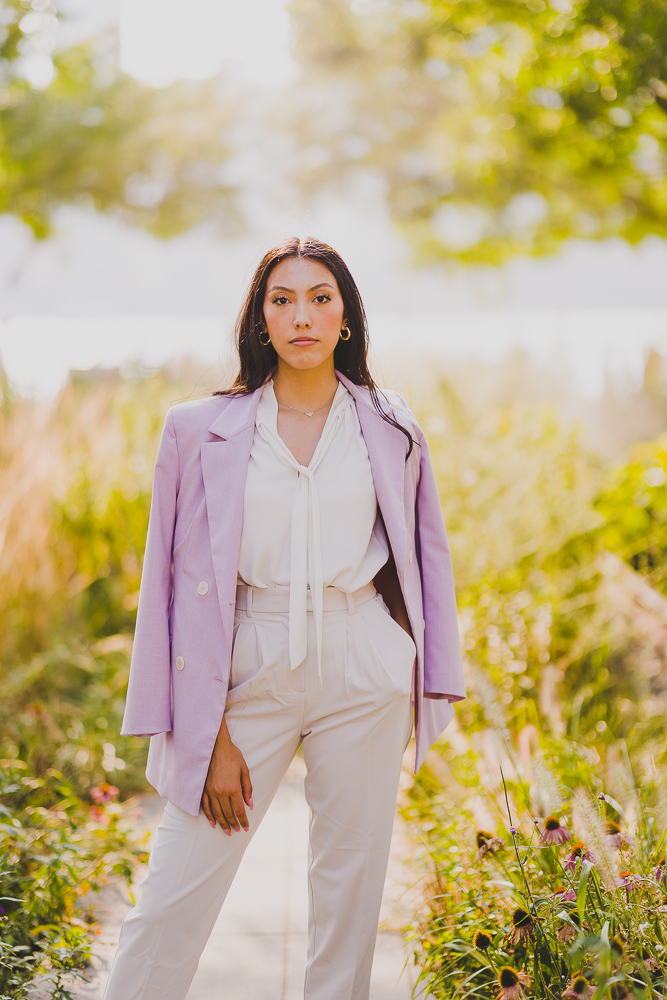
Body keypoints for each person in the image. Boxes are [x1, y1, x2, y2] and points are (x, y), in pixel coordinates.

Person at [103, 237, 466, 1000]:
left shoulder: (393, 425)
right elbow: (167, 585)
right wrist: (207, 730)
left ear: (346, 317)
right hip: (246, 665)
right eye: (282, 299)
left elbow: (427, 560)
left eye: (320, 297)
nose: (301, 315)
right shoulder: (197, 428)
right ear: (258, 319)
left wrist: (420, 674)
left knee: (349, 895)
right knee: (172, 896)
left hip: (362, 659)